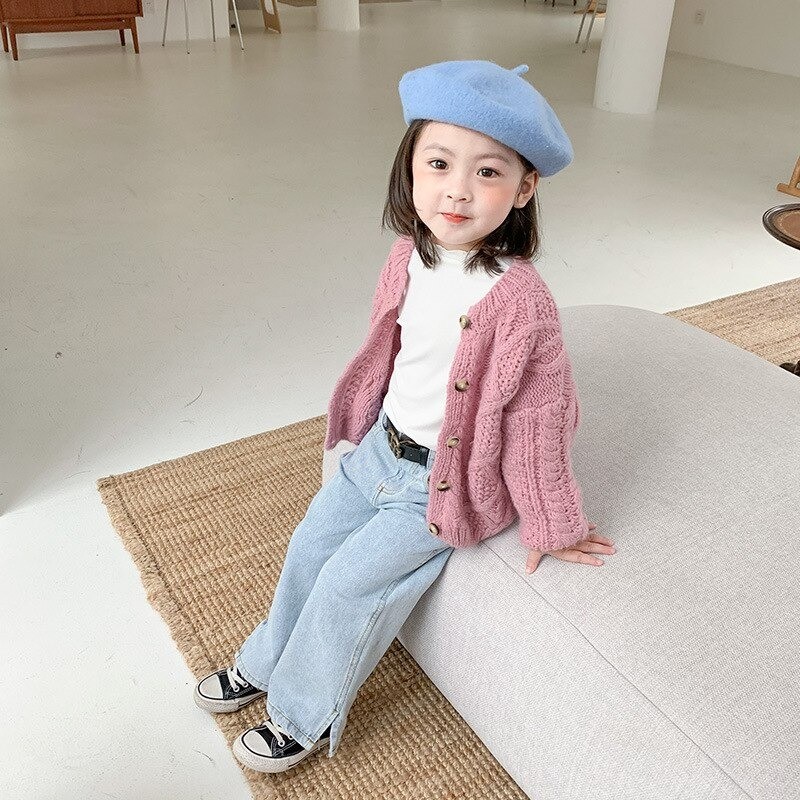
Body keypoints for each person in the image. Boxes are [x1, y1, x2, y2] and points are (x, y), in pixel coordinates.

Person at [193, 59, 616, 774]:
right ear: (410, 167)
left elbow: (540, 418)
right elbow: (388, 354)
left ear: (525, 188)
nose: (458, 189)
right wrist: (358, 429)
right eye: (439, 163)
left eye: (488, 172)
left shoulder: (521, 301)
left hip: (437, 488)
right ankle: (264, 661)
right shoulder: (405, 257)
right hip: (377, 457)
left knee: (347, 586)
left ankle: (299, 713)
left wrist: (553, 522)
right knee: (308, 549)